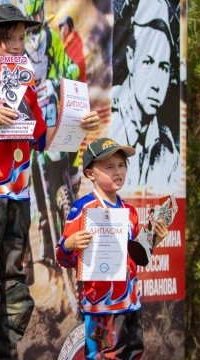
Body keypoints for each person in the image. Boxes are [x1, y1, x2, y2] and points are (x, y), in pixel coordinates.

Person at [0, 3, 100, 359]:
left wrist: (77, 126)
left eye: (21, 38)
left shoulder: (27, 89)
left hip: (18, 201)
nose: (15, 45)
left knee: (14, 295)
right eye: (7, 38)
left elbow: (43, 139)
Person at [55, 137, 168, 359]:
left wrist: (154, 240)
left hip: (131, 303)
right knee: (105, 356)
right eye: (109, 167)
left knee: (133, 354)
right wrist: (70, 244)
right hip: (101, 307)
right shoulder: (82, 209)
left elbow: (136, 255)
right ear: (90, 173)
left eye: (121, 165)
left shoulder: (129, 211)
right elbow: (62, 257)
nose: (118, 172)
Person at [17, 0, 82, 266]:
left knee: (71, 140)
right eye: (30, 17)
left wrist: (61, 76)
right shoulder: (15, 44)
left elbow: (67, 65)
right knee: (24, 181)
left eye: (39, 14)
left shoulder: (51, 37)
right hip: (26, 119)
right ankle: (35, 247)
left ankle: (73, 179)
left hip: (51, 112)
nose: (36, 20)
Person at [108, 0, 181, 190]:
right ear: (130, 58)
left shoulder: (168, 150)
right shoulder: (106, 118)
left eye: (163, 67)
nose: (156, 84)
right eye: (148, 62)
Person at [58, 15, 86, 83]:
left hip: (76, 76)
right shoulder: (64, 41)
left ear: (70, 27)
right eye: (62, 27)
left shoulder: (73, 38)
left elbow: (78, 61)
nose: (63, 30)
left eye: (65, 27)